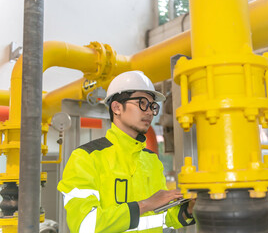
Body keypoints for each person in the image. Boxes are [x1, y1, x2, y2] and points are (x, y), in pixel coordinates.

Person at [57, 70, 195, 232]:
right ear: (116, 107)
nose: (149, 111)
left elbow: (160, 218)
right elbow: (85, 225)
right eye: (142, 103)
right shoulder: (85, 158)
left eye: (152, 106)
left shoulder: (151, 161)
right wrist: (145, 204)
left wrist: (188, 211)